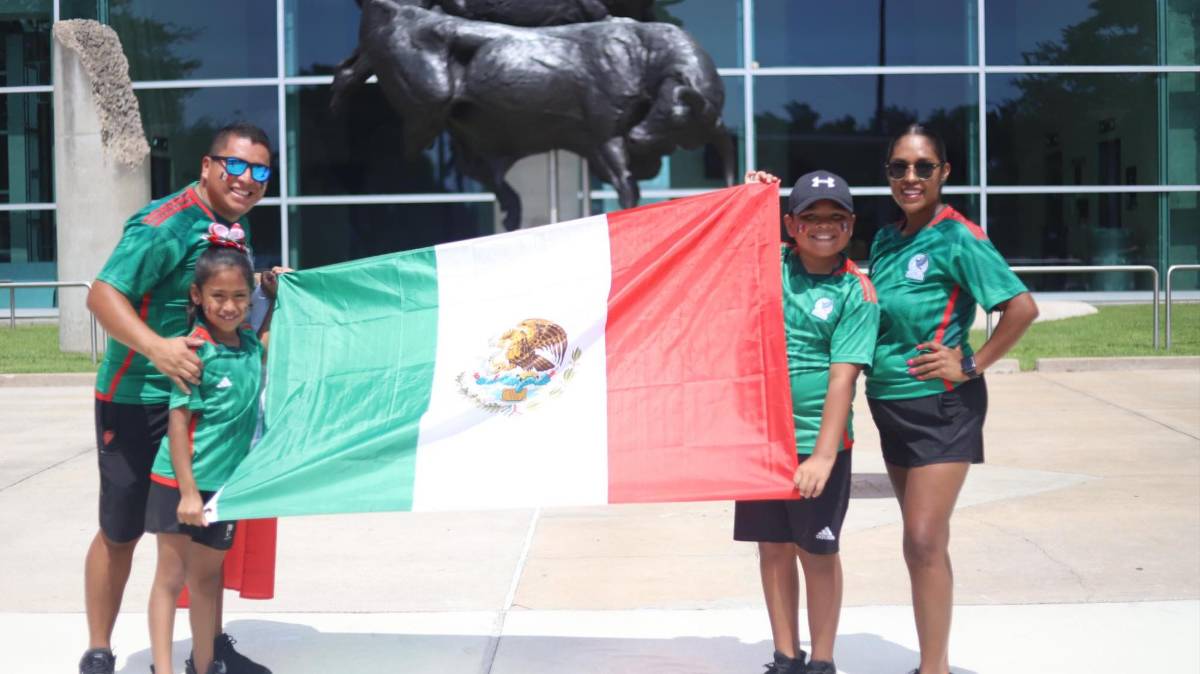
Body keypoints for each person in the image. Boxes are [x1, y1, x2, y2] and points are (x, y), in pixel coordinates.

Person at [81, 123, 276, 674]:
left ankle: (208, 651)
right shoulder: (166, 224)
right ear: (208, 167)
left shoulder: (230, 229)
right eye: (235, 166)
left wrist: (264, 292)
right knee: (121, 532)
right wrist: (158, 350)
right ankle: (98, 651)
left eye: (260, 171)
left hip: (204, 407)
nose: (247, 180)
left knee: (203, 531)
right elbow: (102, 294)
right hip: (137, 399)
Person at [866, 124, 1038, 674]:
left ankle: (933, 669)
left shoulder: (959, 236)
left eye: (922, 167)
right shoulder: (886, 238)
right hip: (890, 403)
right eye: (899, 167)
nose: (910, 177)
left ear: (944, 173)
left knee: (922, 539)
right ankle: (929, 659)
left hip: (942, 407)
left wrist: (971, 363)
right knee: (917, 542)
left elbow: (1020, 307)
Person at [737, 169, 880, 674]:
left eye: (836, 217)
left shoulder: (855, 291)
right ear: (791, 225)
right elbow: (729, 240)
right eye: (811, 217)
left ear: (851, 224)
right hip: (761, 439)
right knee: (772, 550)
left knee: (816, 552)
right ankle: (786, 656)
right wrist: (753, 193)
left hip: (817, 445)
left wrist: (822, 456)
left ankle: (821, 661)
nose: (824, 226)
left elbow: (843, 379)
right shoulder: (771, 263)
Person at [146, 243, 276, 674]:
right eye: (218, 296)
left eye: (241, 297)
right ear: (198, 296)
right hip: (181, 485)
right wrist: (186, 493)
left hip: (224, 488)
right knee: (171, 579)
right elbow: (178, 425)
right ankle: (163, 669)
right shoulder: (193, 352)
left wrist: (276, 298)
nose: (230, 306)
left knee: (205, 581)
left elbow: (264, 344)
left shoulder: (246, 348)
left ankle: (203, 666)